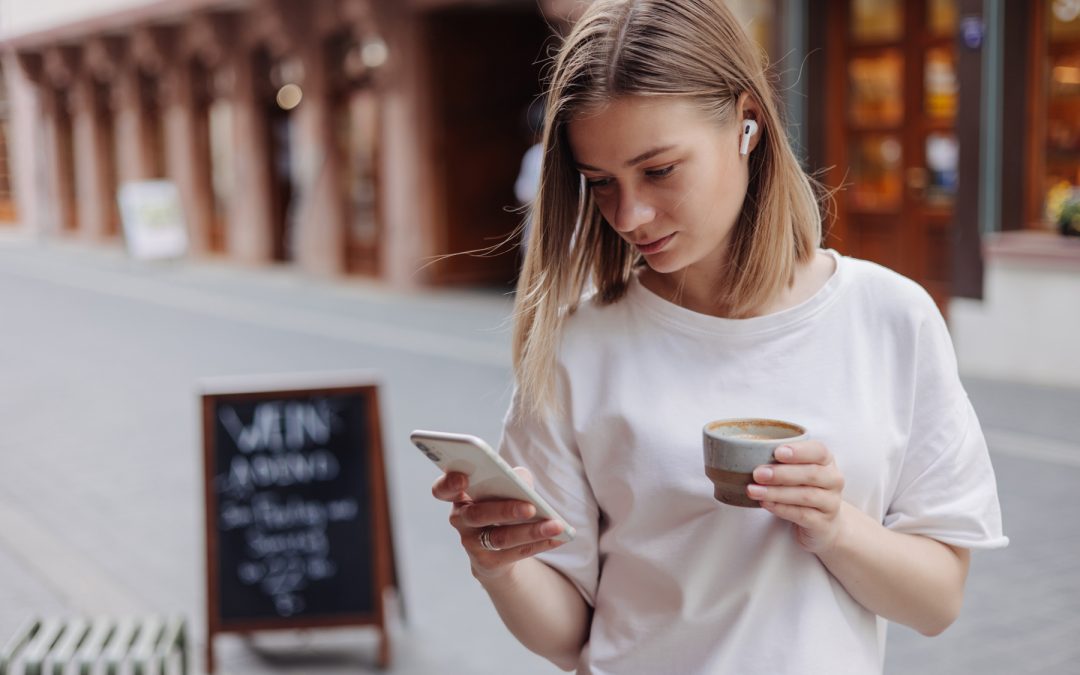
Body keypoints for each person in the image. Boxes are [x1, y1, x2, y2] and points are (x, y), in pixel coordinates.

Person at [432, 1, 1008, 673]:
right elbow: (568, 635)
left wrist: (834, 524)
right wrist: (499, 562)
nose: (631, 214)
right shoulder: (579, 344)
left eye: (659, 170)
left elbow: (937, 600)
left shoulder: (891, 318)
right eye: (600, 184)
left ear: (747, 123)